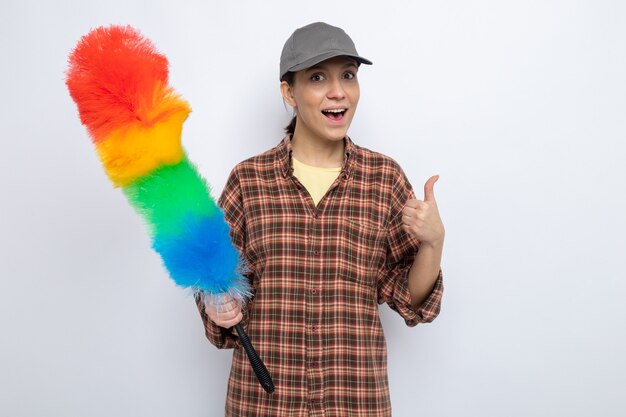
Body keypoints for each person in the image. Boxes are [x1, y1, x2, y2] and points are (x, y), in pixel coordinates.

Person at [195, 22, 445, 417]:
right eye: (317, 77)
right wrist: (214, 302)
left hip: (354, 402)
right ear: (288, 93)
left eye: (348, 74)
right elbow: (215, 283)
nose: (338, 91)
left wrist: (433, 242)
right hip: (264, 403)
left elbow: (410, 300)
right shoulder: (249, 180)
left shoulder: (384, 179)